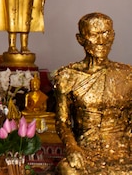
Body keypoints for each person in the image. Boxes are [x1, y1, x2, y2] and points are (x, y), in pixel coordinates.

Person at [53, 13, 132, 175]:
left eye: (106, 33)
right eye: (94, 35)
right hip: (86, 150)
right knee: (68, 170)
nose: (101, 41)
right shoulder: (67, 76)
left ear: (113, 36)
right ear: (80, 39)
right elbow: (63, 123)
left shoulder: (128, 74)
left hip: (124, 150)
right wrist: (72, 148)